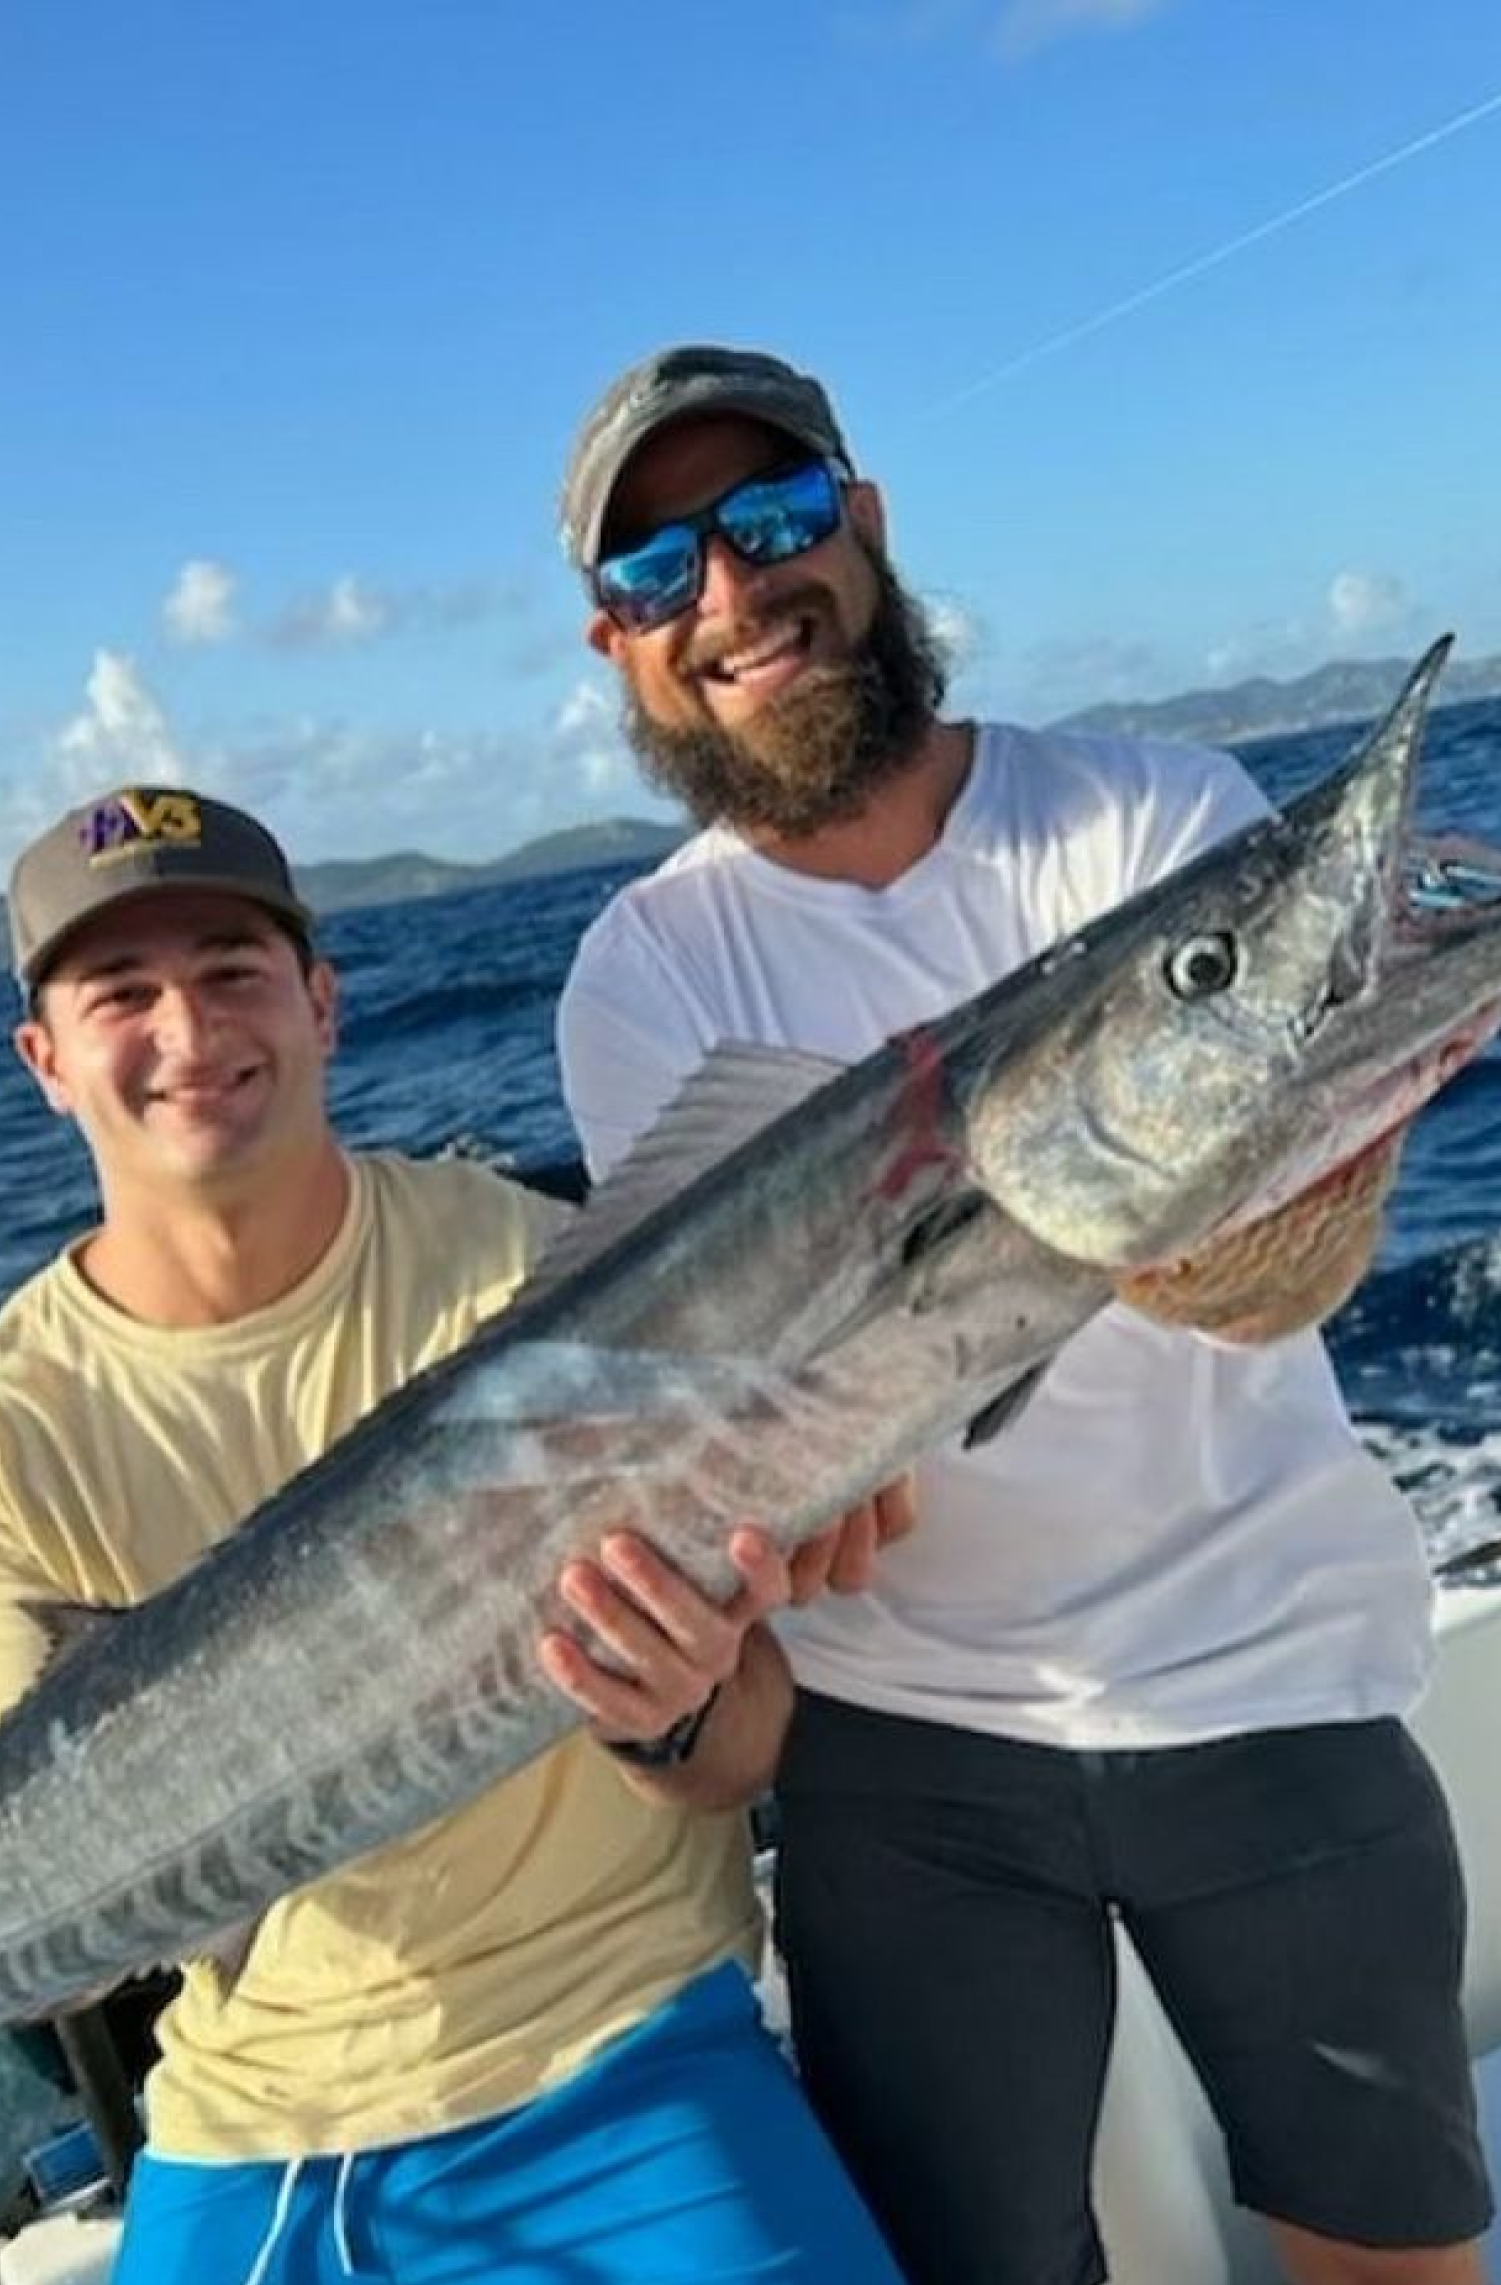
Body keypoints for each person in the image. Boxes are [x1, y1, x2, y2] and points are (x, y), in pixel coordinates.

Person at [554, 343, 1494, 2285]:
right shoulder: (641, 967)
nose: (731, 592)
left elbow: (1269, 1276)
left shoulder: (1157, 814)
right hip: (902, 1742)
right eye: (660, 570)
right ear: (614, 642)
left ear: (867, 524)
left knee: (1386, 2250)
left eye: (776, 518)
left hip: (1261, 1659)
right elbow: (715, 1394)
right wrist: (748, 1544)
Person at [0, 782, 910, 2285]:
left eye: (232, 969)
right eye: (122, 992)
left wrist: (676, 1709)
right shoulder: (22, 1422)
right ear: (43, 1060)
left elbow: (744, 1757)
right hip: (249, 2124)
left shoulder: (549, 1273)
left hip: (623, 2059)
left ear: (322, 1003)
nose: (189, 1029)